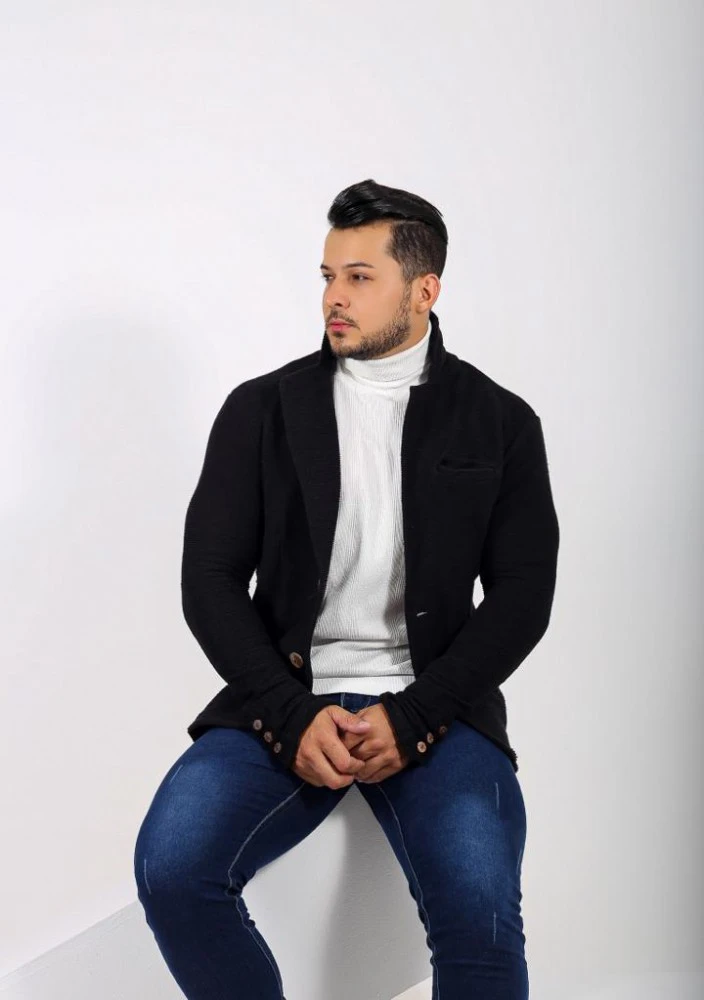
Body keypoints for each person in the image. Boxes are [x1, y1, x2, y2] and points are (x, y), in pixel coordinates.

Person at [133, 177, 560, 999]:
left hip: (438, 704)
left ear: (424, 290)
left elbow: (522, 598)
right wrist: (290, 716)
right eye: (329, 275)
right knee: (173, 869)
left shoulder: (501, 422)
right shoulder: (260, 409)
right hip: (283, 699)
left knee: (479, 919)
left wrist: (415, 716)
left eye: (360, 277)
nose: (335, 296)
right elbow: (209, 579)